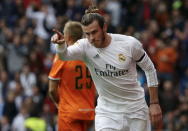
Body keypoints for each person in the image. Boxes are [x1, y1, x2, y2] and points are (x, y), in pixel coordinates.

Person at [51, 6, 162, 131]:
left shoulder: (129, 44)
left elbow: (149, 68)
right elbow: (64, 56)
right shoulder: (84, 46)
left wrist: (154, 103)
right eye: (87, 34)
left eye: (94, 32)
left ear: (104, 27)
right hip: (107, 113)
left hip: (135, 110)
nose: (91, 38)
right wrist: (61, 45)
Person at [48, 21, 96, 131]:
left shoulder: (63, 56)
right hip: (88, 111)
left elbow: (52, 89)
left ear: (67, 37)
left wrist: (59, 104)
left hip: (69, 112)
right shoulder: (89, 55)